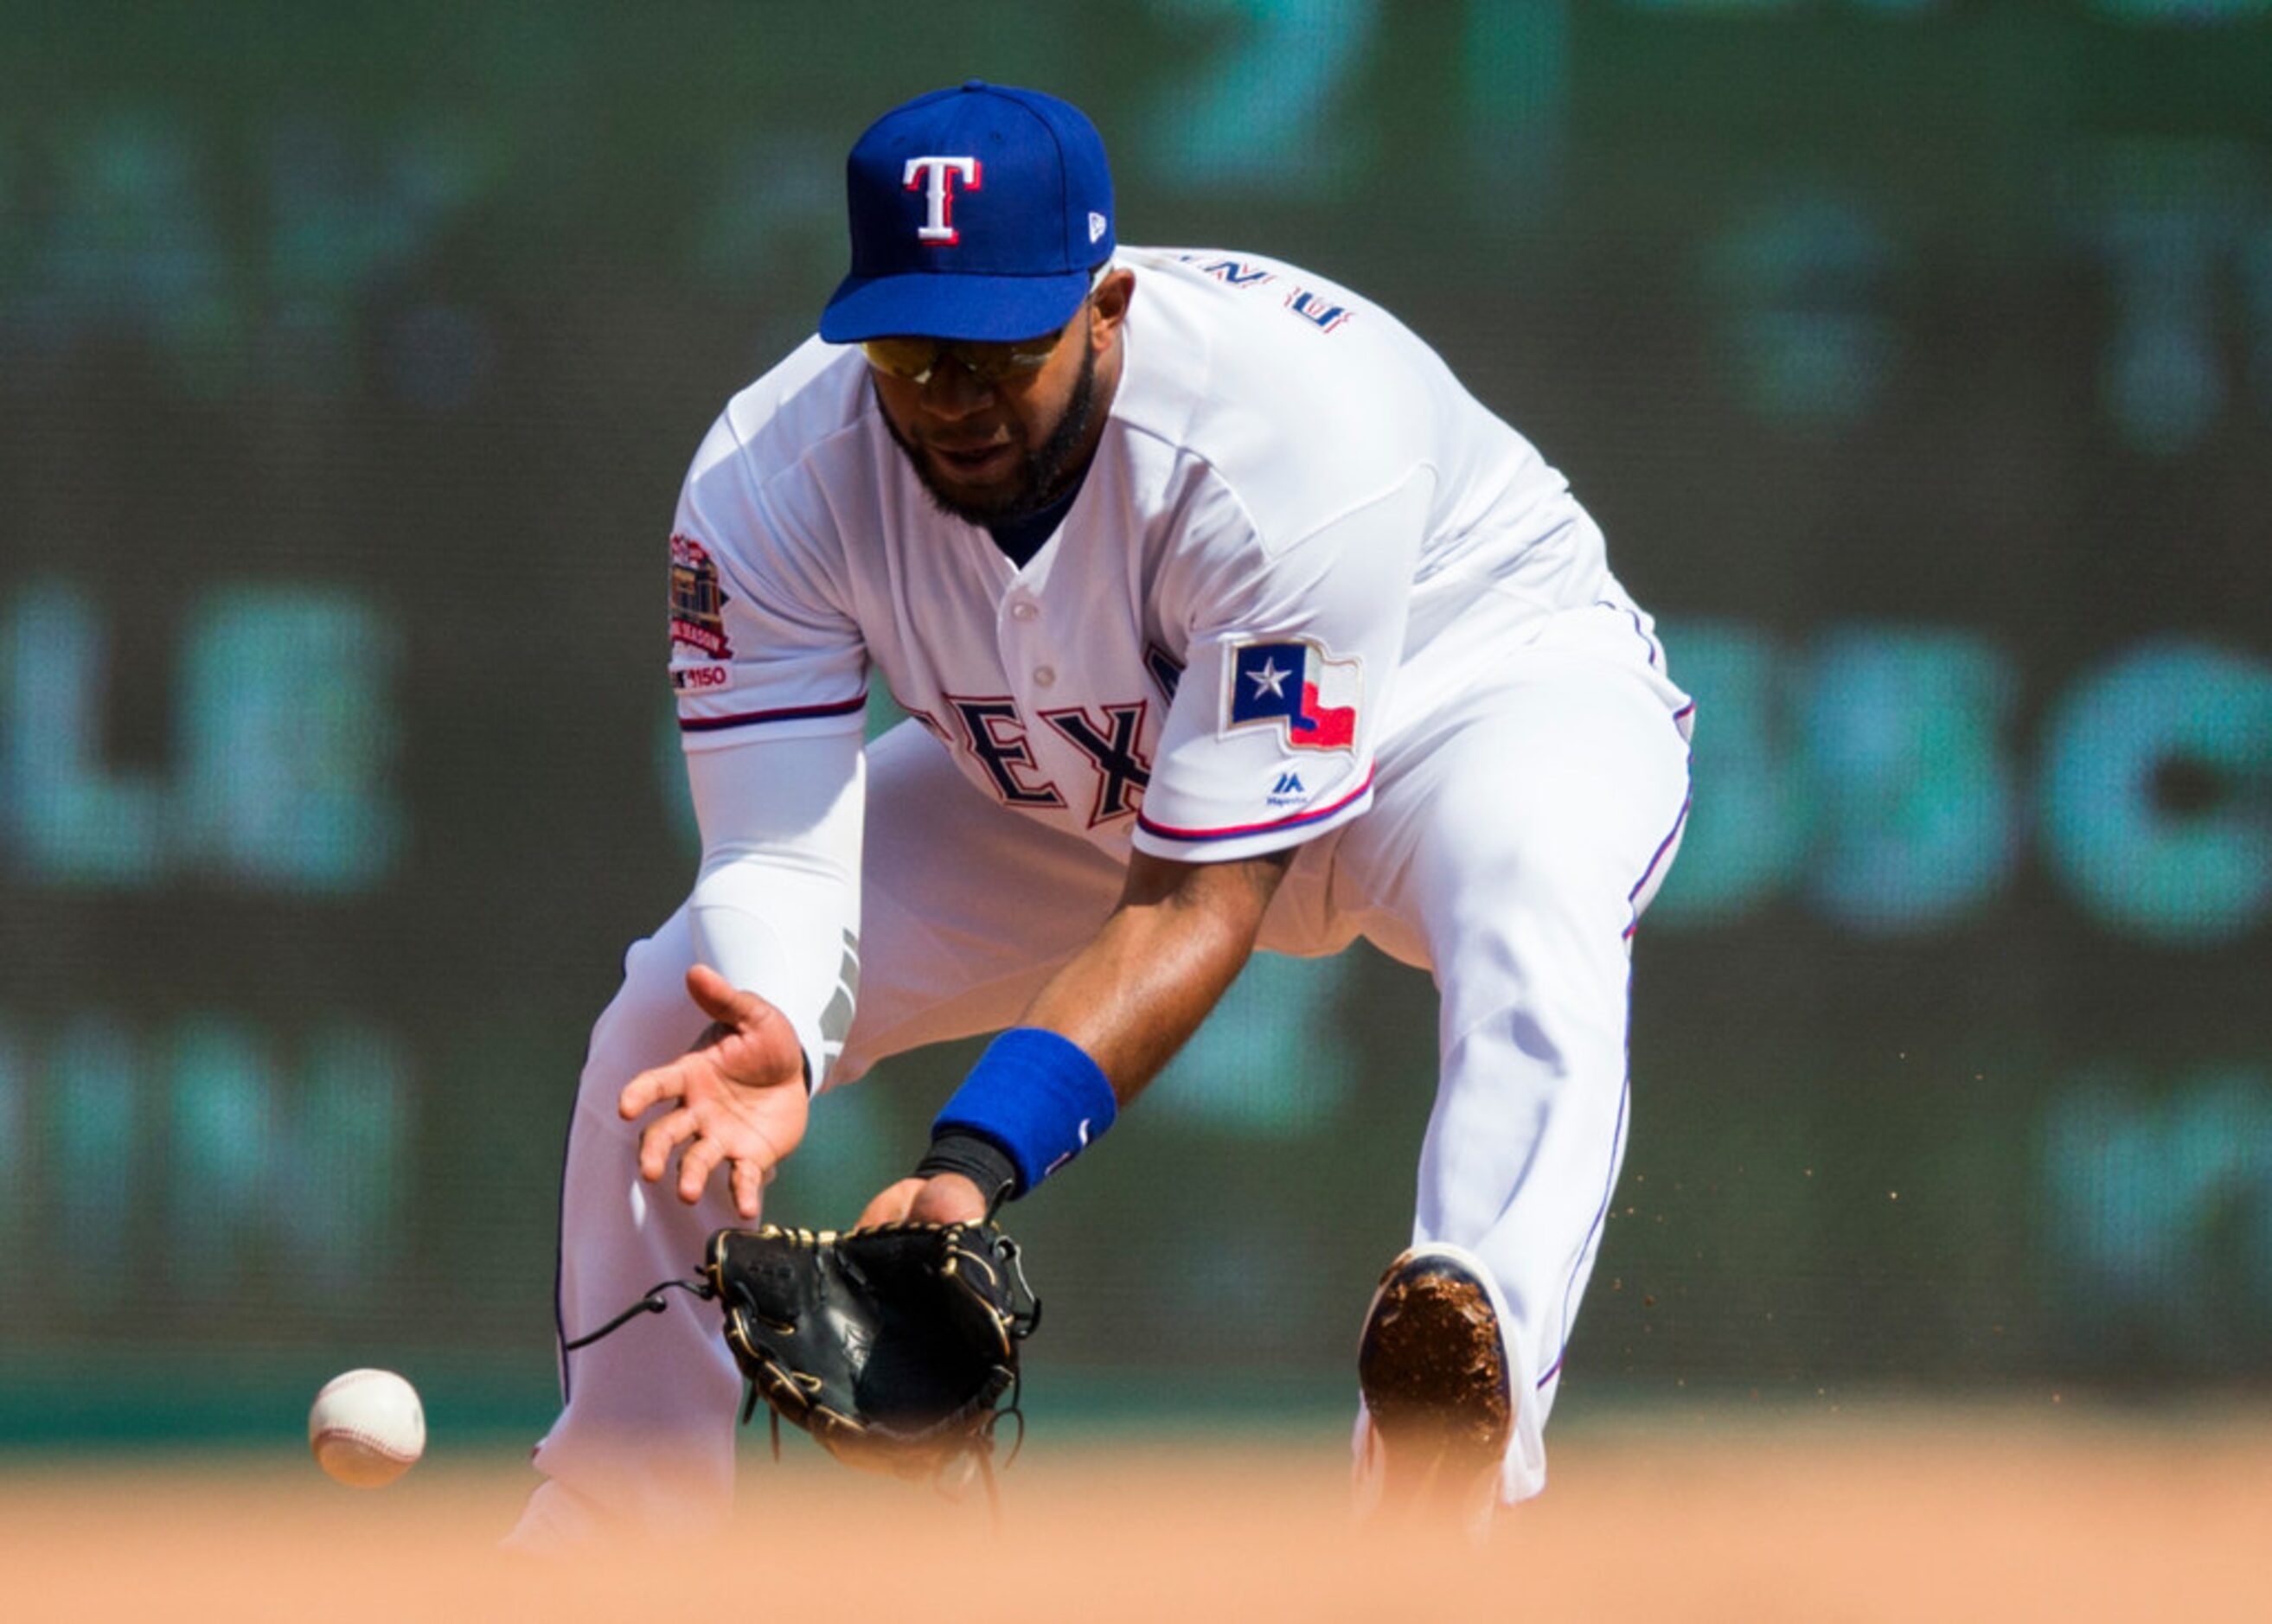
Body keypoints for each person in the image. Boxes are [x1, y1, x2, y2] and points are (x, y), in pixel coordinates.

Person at [507, 80, 1693, 1550]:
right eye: (910, 351)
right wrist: (779, 1018)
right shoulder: (771, 482)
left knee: (1534, 890)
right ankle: (623, 1517)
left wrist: (967, 1164)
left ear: (1108, 300)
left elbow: (1202, 901)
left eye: (1001, 344)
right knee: (663, 1025)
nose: (952, 397)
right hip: (1082, 783)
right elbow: (774, 853)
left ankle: (1448, 1449)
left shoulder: (1285, 441)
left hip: (1469, 698)